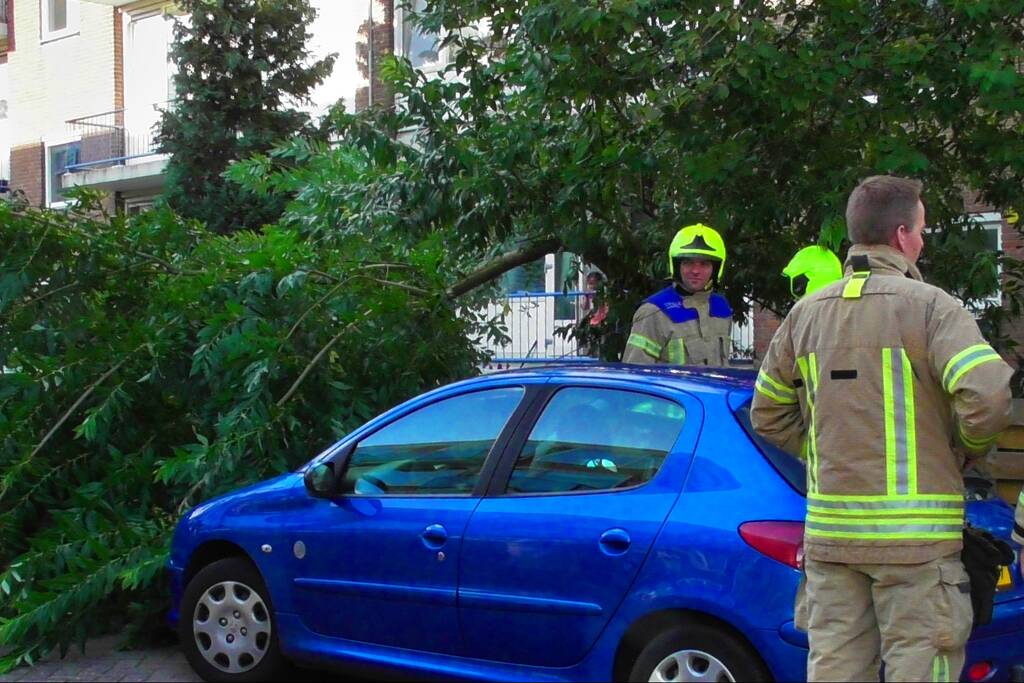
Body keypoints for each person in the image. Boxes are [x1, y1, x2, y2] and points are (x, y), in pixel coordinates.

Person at [751, 175, 1013, 682]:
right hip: (916, 546)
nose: (922, 240)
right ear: (900, 235)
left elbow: (767, 412)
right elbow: (988, 394)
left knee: (836, 671)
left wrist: (823, 452)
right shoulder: (932, 308)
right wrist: (963, 449)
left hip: (832, 540)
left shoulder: (805, 315)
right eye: (921, 231)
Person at [622, 223, 733, 366]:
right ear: (676, 266)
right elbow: (635, 374)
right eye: (688, 262)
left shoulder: (722, 308)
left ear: (716, 269)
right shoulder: (654, 312)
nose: (695, 270)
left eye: (704, 264)